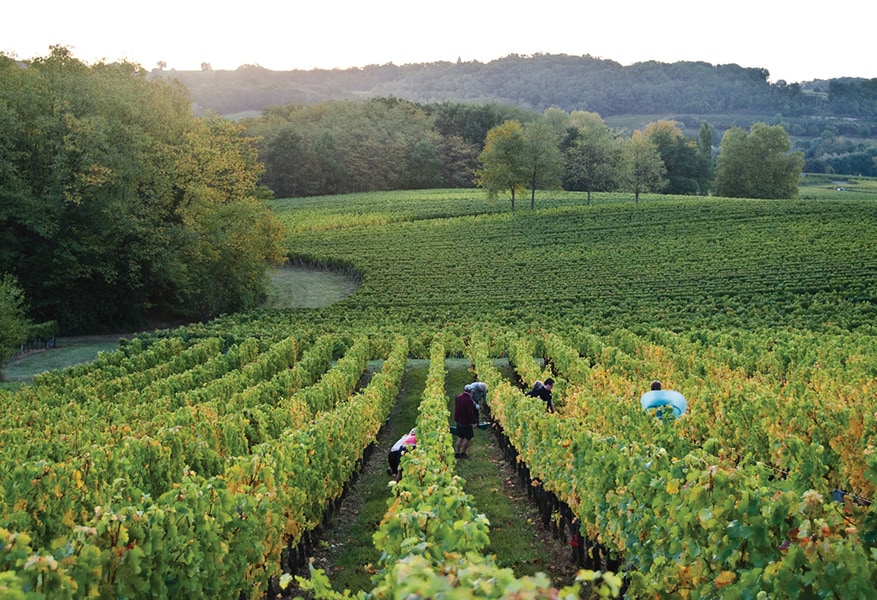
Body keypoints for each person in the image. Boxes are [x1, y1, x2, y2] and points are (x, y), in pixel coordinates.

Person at [454, 385, 478, 459]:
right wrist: (474, 422)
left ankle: (457, 453)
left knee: (460, 436)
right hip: (465, 422)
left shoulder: (458, 397)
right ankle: (463, 453)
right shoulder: (469, 400)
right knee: (468, 437)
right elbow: (470, 412)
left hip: (458, 420)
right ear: (471, 391)